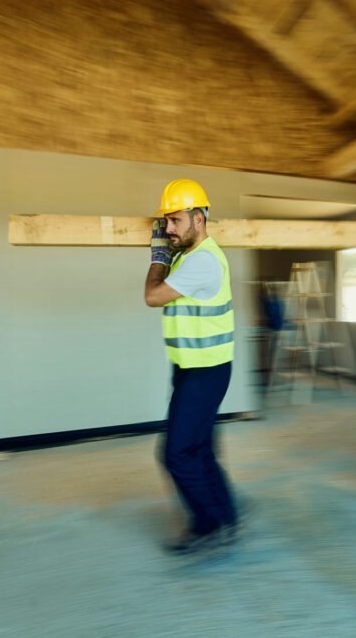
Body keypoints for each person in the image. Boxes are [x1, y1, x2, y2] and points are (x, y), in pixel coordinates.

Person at [144, 178, 239, 553]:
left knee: (176, 453)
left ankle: (209, 525)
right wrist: (168, 253)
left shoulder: (201, 261)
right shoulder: (190, 254)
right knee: (199, 450)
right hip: (195, 368)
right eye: (165, 222)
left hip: (205, 371)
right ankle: (226, 515)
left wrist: (156, 257)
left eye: (175, 221)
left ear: (199, 218)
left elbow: (153, 296)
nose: (168, 229)